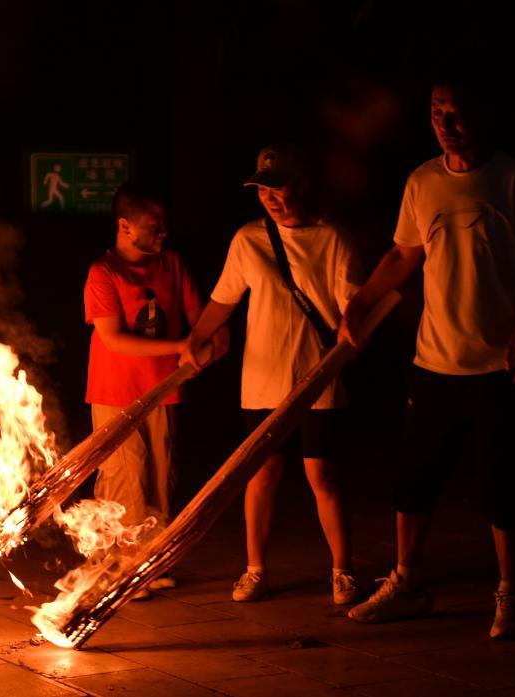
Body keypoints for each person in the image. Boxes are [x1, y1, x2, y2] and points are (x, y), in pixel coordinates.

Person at [339, 77, 515, 639]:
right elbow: (404, 253)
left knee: (501, 480)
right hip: (434, 360)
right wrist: (360, 302)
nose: (446, 124)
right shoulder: (423, 181)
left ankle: (511, 593)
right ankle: (407, 581)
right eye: (437, 112)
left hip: (497, 363)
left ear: (482, 114)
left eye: (456, 112)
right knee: (414, 475)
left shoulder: (514, 179)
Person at [181, 144, 365, 605]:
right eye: (263, 189)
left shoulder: (332, 237)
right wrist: (196, 338)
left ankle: (342, 571)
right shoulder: (248, 239)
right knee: (261, 473)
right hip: (262, 378)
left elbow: (353, 304)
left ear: (302, 184)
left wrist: (352, 331)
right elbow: (224, 298)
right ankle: (255, 569)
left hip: (318, 376)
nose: (271, 197)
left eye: (278, 187)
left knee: (322, 474)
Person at [84, 180, 202, 597]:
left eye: (164, 224)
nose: (164, 233)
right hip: (114, 391)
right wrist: (180, 346)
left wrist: (207, 344)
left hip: (163, 389)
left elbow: (200, 318)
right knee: (124, 477)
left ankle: (149, 563)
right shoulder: (104, 272)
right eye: (155, 226)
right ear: (125, 226)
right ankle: (118, 569)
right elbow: (114, 338)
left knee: (160, 477)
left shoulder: (171, 264)